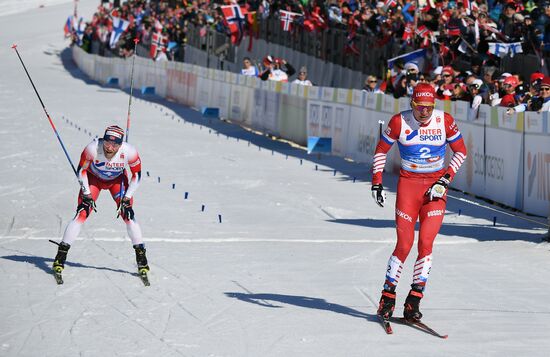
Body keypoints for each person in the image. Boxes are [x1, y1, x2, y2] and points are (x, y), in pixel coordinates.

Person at [371, 83, 468, 322]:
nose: (424, 112)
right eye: (419, 107)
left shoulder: (444, 120)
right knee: (404, 244)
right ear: (412, 104)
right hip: (409, 186)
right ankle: (387, 296)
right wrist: (377, 182)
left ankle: (414, 300)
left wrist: (445, 180)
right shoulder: (399, 121)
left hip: (435, 188)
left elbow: (461, 152)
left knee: (426, 243)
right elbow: (381, 150)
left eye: (429, 107)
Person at [52, 125, 149, 276]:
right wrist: (86, 193)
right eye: (107, 143)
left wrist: (127, 198)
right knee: (82, 212)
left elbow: (137, 176)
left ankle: (141, 258)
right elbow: (81, 170)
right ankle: (61, 256)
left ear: (121, 144)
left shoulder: (129, 152)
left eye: (115, 144)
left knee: (128, 214)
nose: (110, 148)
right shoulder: (92, 149)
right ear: (103, 140)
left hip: (117, 181)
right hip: (93, 179)